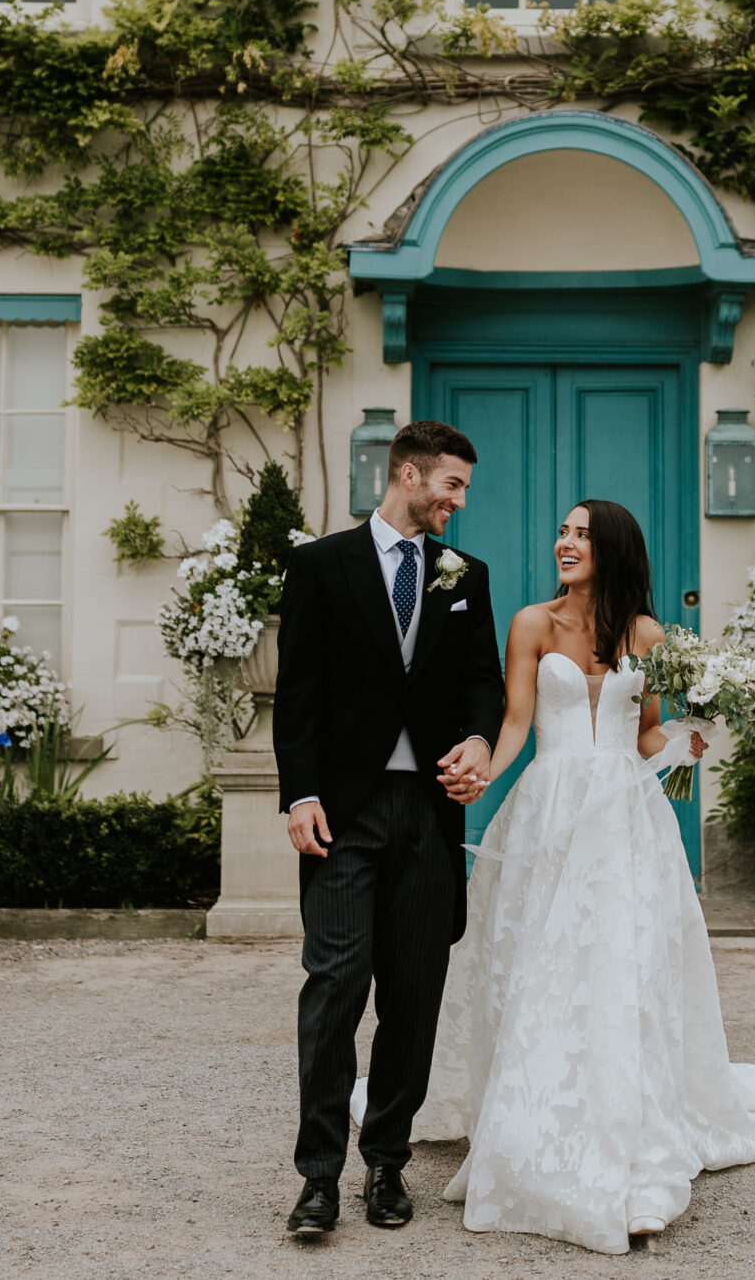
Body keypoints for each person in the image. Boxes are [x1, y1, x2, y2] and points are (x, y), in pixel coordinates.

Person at [409, 497, 755, 1254]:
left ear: (611, 548)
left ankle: (631, 1133)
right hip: (549, 807)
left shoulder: (647, 634)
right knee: (540, 965)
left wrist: (687, 734)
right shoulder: (531, 623)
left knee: (620, 966)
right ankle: (532, 1116)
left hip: (625, 818)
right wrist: (483, 768)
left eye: (581, 534)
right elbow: (515, 721)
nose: (564, 543)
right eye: (563, 532)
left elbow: (647, 731)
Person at [273, 418, 506, 1237]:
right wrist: (299, 795)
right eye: (452, 484)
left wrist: (478, 740)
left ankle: (388, 1165)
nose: (459, 501)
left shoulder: (466, 574)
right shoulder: (318, 565)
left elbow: (484, 683)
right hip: (344, 812)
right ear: (408, 474)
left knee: (413, 995)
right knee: (333, 989)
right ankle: (317, 1178)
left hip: (431, 814)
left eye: (464, 489)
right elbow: (295, 691)